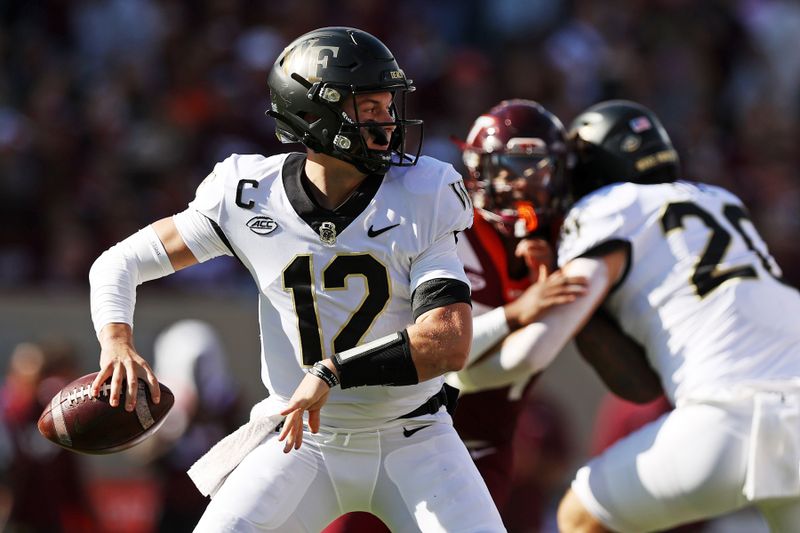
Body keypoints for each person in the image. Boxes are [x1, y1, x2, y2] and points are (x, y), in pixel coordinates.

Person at [88, 26, 508, 532]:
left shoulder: (424, 193)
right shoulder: (248, 194)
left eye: (388, 107)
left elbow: (446, 343)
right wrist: (116, 342)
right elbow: (119, 262)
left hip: (415, 436)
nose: (389, 124)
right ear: (314, 116)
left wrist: (331, 371)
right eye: (369, 109)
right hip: (301, 437)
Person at [324, 100, 661, 532]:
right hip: (391, 436)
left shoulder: (569, 238)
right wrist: (518, 312)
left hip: (483, 445)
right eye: (508, 167)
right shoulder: (448, 224)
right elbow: (440, 357)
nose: (523, 185)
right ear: (478, 168)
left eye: (539, 170)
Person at [499, 99, 800, 532]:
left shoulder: (606, 207)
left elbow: (537, 351)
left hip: (730, 412)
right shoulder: (721, 199)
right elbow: (638, 385)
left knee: (579, 517)